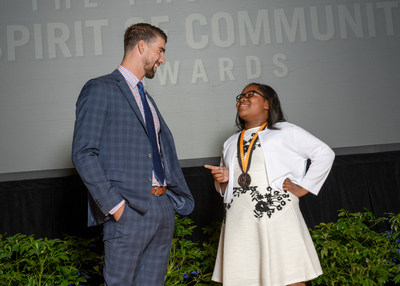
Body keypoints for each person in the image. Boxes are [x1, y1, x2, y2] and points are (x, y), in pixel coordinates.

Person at [72, 23, 194, 286]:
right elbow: (84, 153)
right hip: (129, 211)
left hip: (162, 208)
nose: (163, 59)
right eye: (160, 50)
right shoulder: (100, 88)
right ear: (141, 46)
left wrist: (168, 204)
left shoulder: (146, 98)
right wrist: (116, 208)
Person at [205, 83, 335, 286]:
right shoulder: (230, 142)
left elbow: (324, 153)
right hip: (239, 218)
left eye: (251, 94)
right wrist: (222, 180)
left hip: (277, 215)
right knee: (243, 277)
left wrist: (303, 187)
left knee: (289, 276)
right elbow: (226, 186)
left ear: (267, 103)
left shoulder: (285, 131)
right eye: (240, 96)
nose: (243, 99)